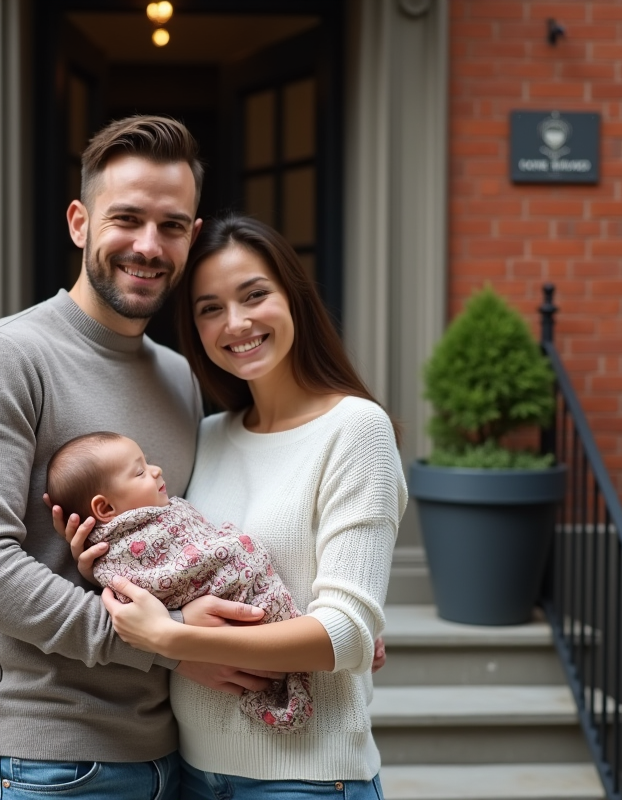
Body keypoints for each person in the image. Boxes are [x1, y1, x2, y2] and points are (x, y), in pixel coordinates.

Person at [0, 117, 282, 800]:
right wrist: (171, 643)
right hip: (44, 764)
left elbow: (191, 541)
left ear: (191, 235)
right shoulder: (6, 358)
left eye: (173, 226)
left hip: (173, 754)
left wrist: (320, 625)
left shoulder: (182, 378)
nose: (149, 246)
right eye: (127, 218)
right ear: (79, 222)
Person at [64, 214, 407, 799]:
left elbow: (344, 636)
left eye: (254, 296)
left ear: (292, 297)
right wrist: (102, 557)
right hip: (190, 770)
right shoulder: (210, 436)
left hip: (307, 777)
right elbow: (179, 566)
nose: (237, 323)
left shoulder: (356, 429)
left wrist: (172, 641)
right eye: (210, 308)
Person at [45, 431, 312, 731]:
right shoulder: (117, 551)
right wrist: (179, 624)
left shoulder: (162, 511)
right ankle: (307, 644)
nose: (156, 469)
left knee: (307, 642)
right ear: (105, 509)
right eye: (140, 471)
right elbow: (157, 581)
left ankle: (310, 643)